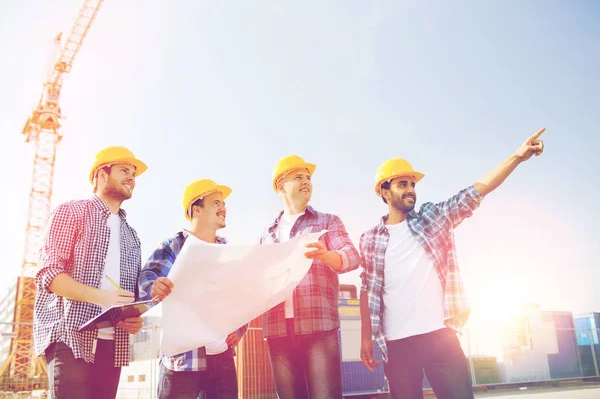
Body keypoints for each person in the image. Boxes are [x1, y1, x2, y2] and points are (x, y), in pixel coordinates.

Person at [359, 128, 546, 399]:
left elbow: (474, 193)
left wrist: (517, 157)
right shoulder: (369, 239)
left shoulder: (432, 218)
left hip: (440, 337)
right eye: (403, 184)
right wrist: (366, 338)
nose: (411, 190)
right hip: (397, 345)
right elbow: (367, 289)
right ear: (384, 192)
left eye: (413, 184)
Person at [34, 146, 148, 399]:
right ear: (101, 175)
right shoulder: (71, 211)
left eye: (134, 174)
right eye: (124, 170)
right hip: (70, 337)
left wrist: (134, 318)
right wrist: (101, 297)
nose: (131, 177)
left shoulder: (132, 235)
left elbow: (132, 295)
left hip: (113, 343)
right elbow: (49, 274)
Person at [259, 155, 360, 399]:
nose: (307, 182)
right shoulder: (267, 235)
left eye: (308, 178)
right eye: (298, 177)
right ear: (281, 186)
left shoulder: (327, 222)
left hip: (318, 329)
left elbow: (352, 256)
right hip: (277, 332)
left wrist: (328, 256)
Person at [138, 179, 247, 399]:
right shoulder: (173, 246)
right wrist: (154, 287)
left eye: (224, 203)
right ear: (197, 209)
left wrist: (239, 329)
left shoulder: (229, 251)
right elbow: (146, 281)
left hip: (222, 360)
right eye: (216, 202)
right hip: (182, 360)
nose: (223, 208)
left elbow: (242, 296)